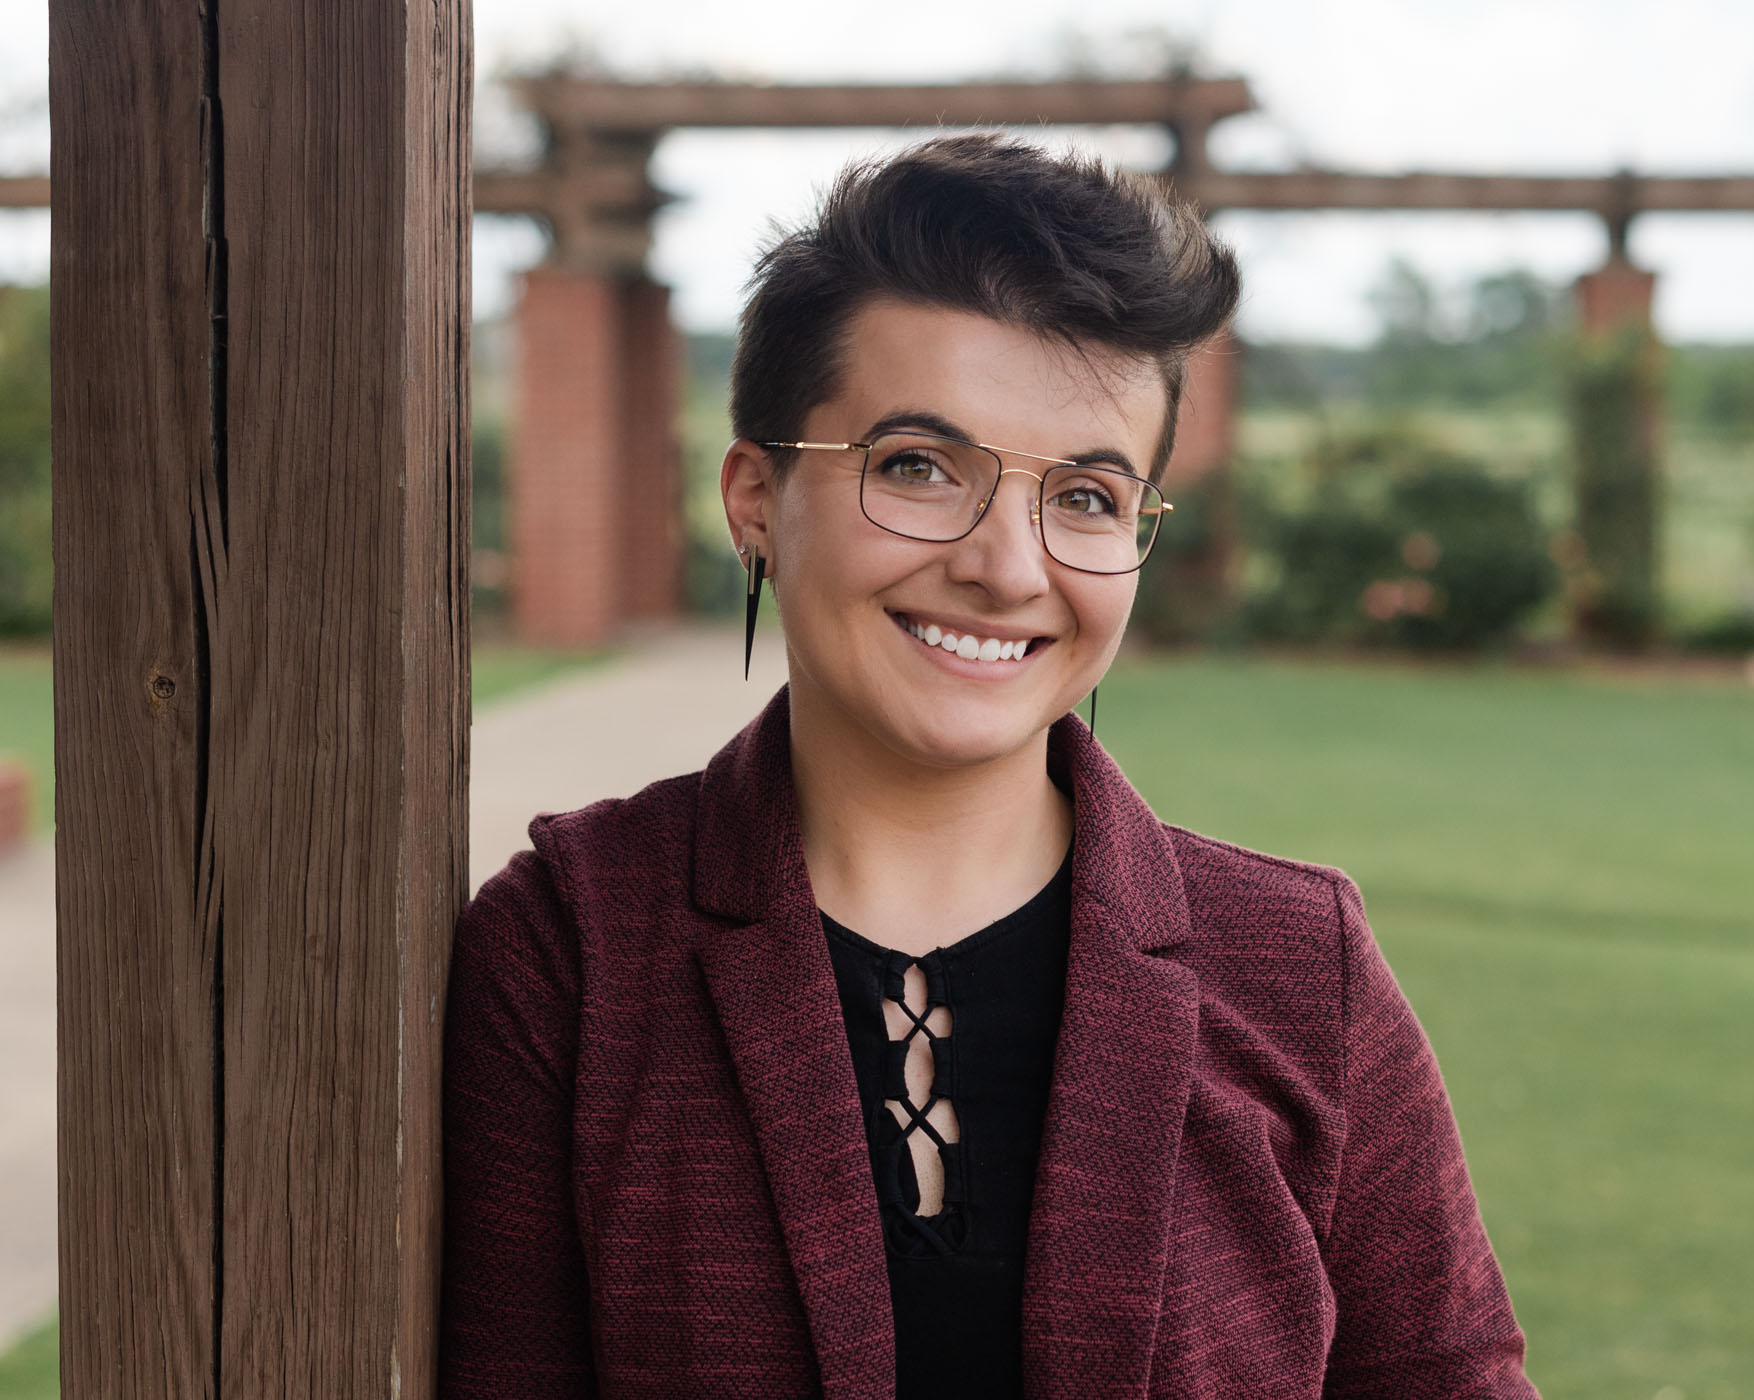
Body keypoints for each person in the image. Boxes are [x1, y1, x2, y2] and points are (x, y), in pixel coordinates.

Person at [439, 132, 1535, 1400]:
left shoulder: (1300, 970)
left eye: (1085, 496)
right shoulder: (572, 952)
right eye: (918, 467)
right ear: (753, 496)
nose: (1008, 567)